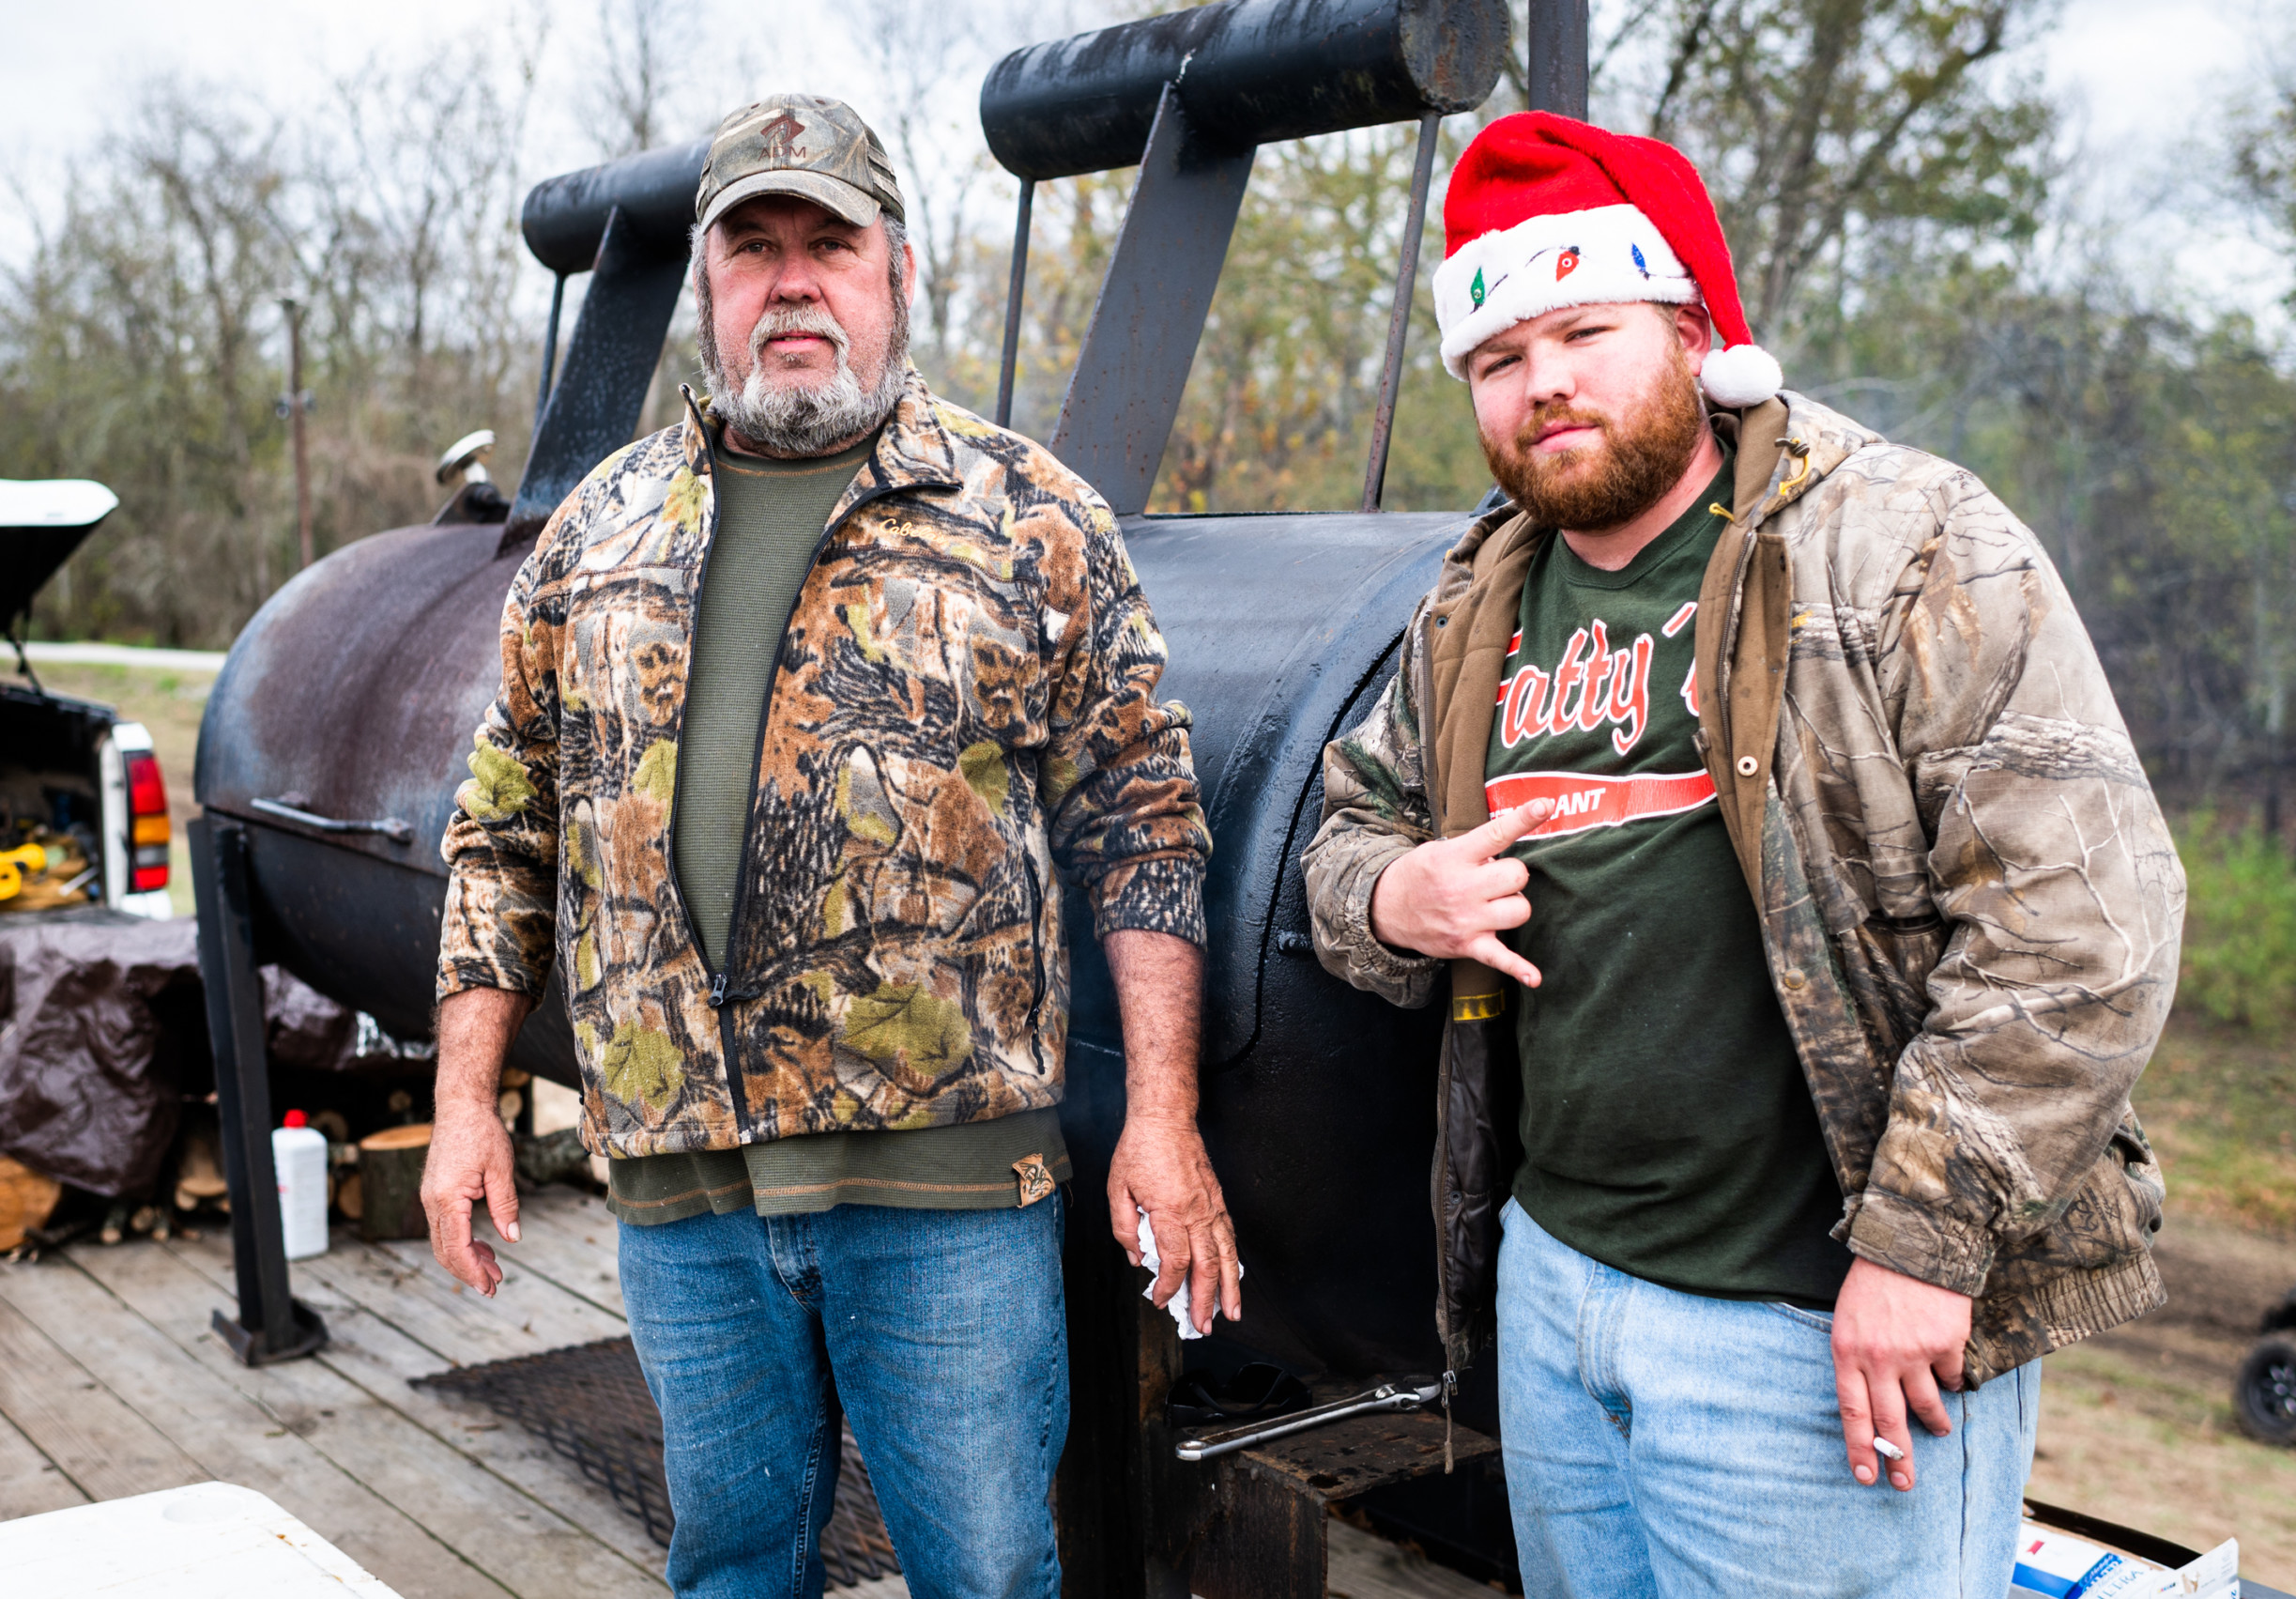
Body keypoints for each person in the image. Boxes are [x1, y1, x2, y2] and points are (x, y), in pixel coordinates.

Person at [1302, 112, 2181, 1598]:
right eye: (1500, 358)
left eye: (1586, 327)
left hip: (1815, 1326)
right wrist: (1396, 895)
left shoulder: (1901, 545)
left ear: (1696, 333)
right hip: (1556, 1292)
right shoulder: (1475, 604)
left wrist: (1920, 1249)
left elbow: (2086, 922)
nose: (1546, 382)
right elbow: (1345, 830)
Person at [422, 93, 1237, 1599]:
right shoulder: (594, 534)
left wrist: (1165, 1118)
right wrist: (466, 1102)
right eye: (754, 249)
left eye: (829, 243)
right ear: (711, 287)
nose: (794, 281)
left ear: (898, 272)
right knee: (731, 1567)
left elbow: (1144, 824)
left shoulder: (1026, 516)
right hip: (686, 1197)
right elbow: (502, 828)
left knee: (987, 1573)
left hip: (947, 1198)